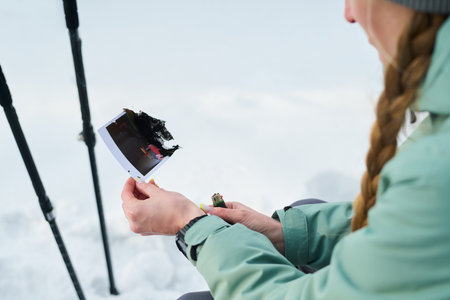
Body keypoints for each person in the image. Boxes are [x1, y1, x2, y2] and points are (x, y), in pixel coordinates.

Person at [121, 0, 450, 299]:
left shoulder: (436, 166)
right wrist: (285, 235)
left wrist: (190, 224)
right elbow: (404, 226)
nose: (348, 14)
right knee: (304, 213)